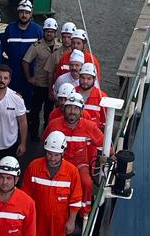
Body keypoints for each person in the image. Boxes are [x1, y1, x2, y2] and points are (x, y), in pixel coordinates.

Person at [21, 133, 82, 236]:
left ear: (63, 153)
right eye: (49, 154)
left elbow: (76, 199)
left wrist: (71, 221)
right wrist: (26, 219)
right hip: (37, 218)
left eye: (56, 155)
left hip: (59, 220)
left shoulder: (71, 172)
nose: (52, 158)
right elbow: (25, 195)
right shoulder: (34, 167)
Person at [43, 90, 105, 218]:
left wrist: (111, 155)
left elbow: (103, 142)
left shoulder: (89, 126)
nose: (72, 111)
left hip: (80, 164)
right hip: (58, 163)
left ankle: (84, 212)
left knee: (87, 183)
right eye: (69, 107)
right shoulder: (54, 124)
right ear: (64, 109)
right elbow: (45, 142)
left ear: (81, 111)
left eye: (76, 108)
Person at [23, 16, 60, 141]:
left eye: (52, 31)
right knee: (35, 111)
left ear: (55, 33)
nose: (49, 34)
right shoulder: (36, 46)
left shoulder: (59, 45)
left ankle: (47, 134)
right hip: (40, 84)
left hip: (53, 85)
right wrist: (29, 78)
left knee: (49, 112)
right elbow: (25, 61)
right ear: (44, 32)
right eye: (47, 31)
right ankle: (33, 134)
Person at [1, 0, 43, 106]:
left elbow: (42, 52)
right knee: (10, 101)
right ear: (18, 12)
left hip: (30, 73)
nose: (24, 15)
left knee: (28, 102)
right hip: (13, 73)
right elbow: (4, 47)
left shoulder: (37, 31)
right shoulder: (10, 29)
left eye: (27, 13)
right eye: (22, 12)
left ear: (31, 14)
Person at [77, 61, 106, 129]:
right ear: (79, 77)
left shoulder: (102, 97)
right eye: (83, 78)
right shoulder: (72, 93)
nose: (85, 81)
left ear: (94, 79)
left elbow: (105, 121)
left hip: (92, 133)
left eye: (89, 78)